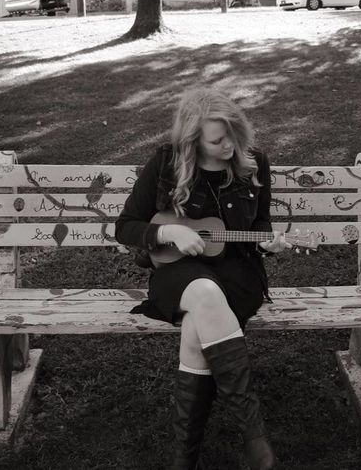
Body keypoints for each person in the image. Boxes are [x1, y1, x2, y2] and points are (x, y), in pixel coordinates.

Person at [115, 88, 290, 470]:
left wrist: (267, 243)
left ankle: (185, 456)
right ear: (193, 141)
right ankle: (253, 435)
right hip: (176, 273)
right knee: (205, 294)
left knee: (199, 321)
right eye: (217, 140)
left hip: (239, 273)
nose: (229, 145)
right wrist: (168, 232)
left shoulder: (254, 162)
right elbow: (125, 226)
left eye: (233, 135)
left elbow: (261, 222)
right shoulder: (167, 162)